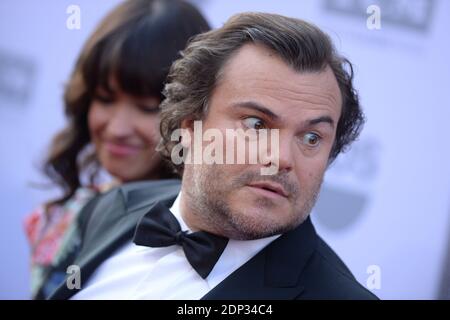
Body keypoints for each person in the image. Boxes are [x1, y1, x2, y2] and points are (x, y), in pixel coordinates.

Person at [49, 12, 378, 300]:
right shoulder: (112, 207)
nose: (280, 158)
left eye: (311, 137)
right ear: (191, 126)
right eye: (256, 124)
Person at [23, 0, 210, 299]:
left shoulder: (202, 240)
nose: (117, 128)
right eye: (105, 98)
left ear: (194, 116)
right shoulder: (62, 216)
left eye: (147, 107)